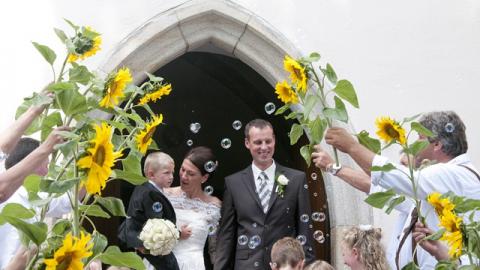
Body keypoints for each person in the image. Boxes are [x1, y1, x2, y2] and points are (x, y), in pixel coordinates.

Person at [314, 111, 480, 269]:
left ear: (437, 144)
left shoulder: (452, 174)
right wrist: (333, 167)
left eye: (420, 138)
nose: (413, 145)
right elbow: (380, 189)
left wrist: (352, 147)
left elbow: (396, 177)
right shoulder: (436, 185)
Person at [215, 119, 315, 270]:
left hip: (285, 265)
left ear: (274, 140)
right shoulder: (233, 183)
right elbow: (226, 236)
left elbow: (305, 230)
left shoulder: (296, 179)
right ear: (247, 143)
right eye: (258, 142)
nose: (264, 147)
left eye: (268, 141)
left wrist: (307, 266)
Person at [312, 146, 414, 269]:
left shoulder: (417, 199)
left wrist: (333, 166)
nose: (398, 171)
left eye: (403, 165)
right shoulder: (408, 206)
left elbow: (374, 186)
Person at [0, 138, 75, 268]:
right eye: (44, 161)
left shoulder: (31, 193)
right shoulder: (9, 200)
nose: (46, 171)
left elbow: (66, 201)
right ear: (30, 161)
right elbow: (11, 258)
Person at [118, 152, 183, 270]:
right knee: (170, 265)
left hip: (141, 241)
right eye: (167, 173)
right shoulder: (150, 193)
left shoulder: (145, 188)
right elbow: (156, 222)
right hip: (147, 242)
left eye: (172, 172)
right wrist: (173, 234)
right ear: (151, 174)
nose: (172, 177)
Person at [0, 93, 67, 202]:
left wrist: (34, 111)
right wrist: (46, 148)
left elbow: (2, 148)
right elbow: (1, 191)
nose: (46, 171)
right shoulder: (22, 196)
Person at [165, 146, 222, 270]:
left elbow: (214, 248)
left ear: (204, 177)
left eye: (191, 173)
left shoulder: (213, 205)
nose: (184, 176)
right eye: (183, 169)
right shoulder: (164, 195)